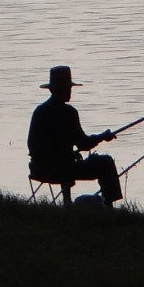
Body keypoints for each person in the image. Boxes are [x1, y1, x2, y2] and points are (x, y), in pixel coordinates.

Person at [28, 65, 121, 204]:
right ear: (66, 89)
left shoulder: (39, 111)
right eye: (70, 88)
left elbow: (32, 144)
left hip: (39, 169)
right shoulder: (69, 112)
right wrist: (103, 136)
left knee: (66, 162)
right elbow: (83, 144)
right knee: (105, 163)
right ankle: (109, 208)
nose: (71, 92)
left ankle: (68, 203)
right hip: (61, 169)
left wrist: (66, 155)